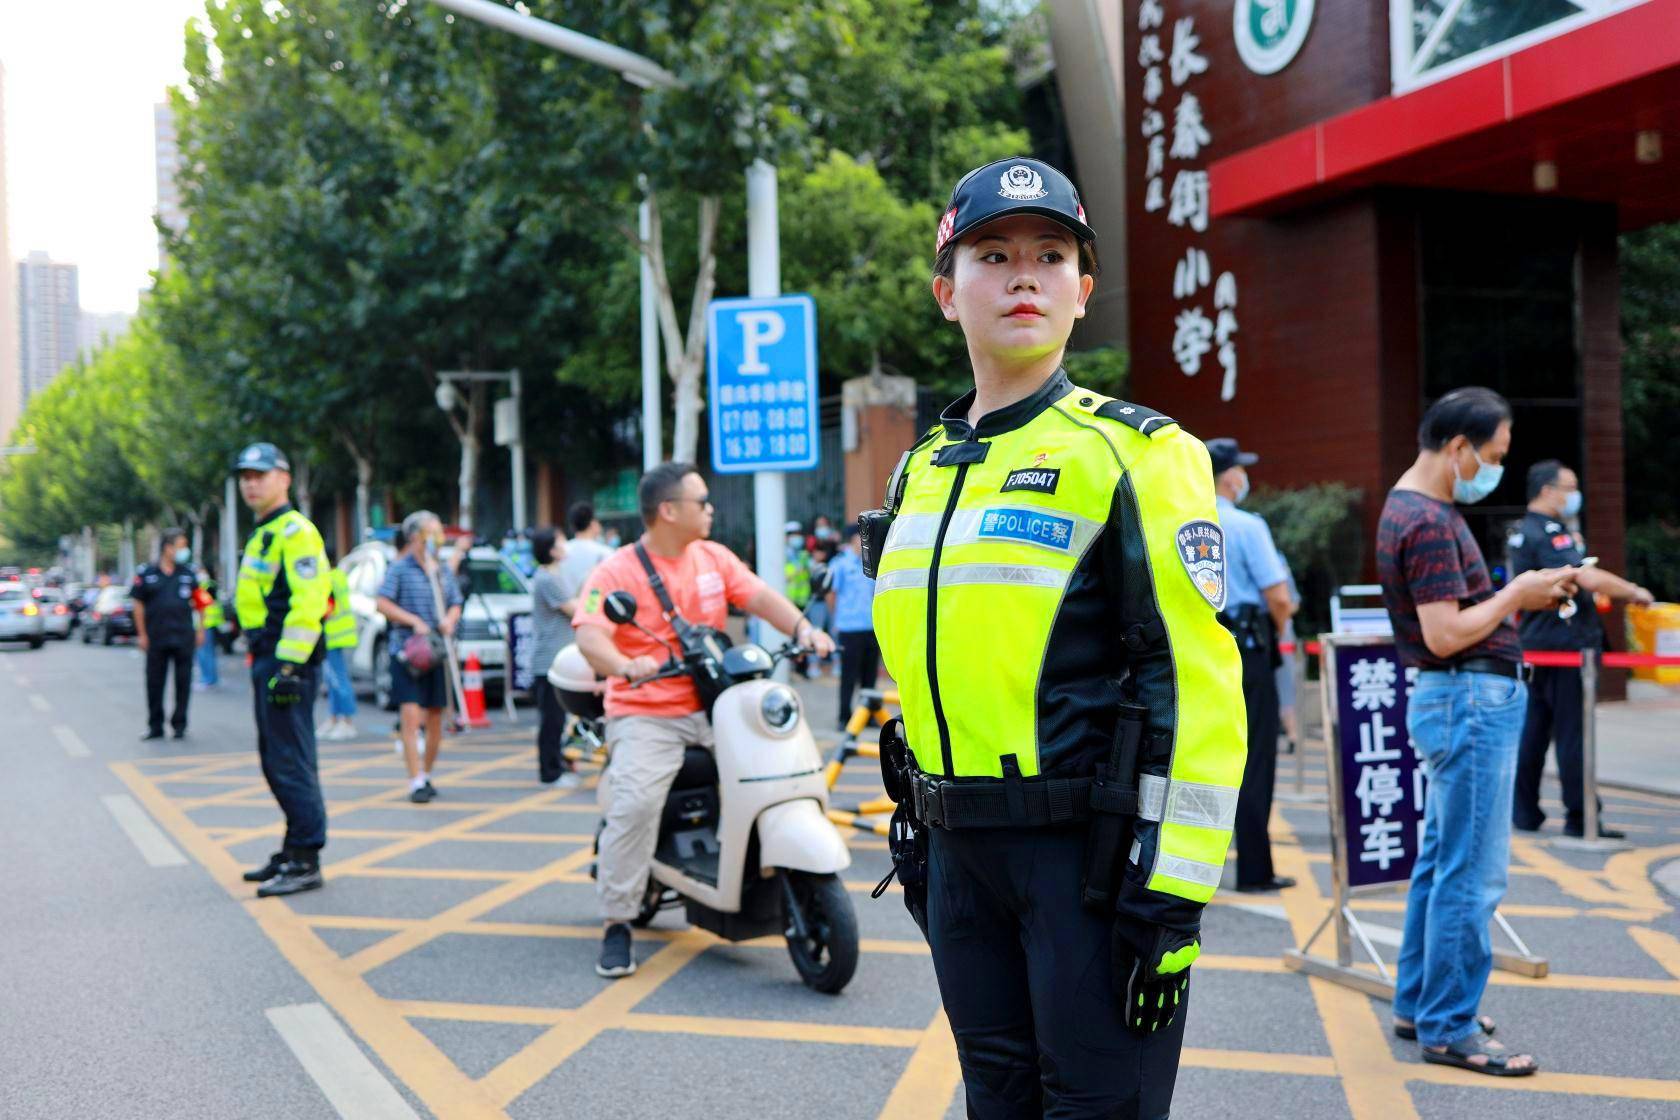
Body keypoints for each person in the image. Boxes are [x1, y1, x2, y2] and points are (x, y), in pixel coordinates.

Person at [869, 156, 1246, 1117]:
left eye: (1051, 255)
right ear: (948, 292)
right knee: (996, 1103)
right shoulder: (921, 471)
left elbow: (1195, 685)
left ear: (1083, 291)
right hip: (958, 861)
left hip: (1083, 864)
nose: (1024, 275)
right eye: (994, 255)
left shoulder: (1138, 453)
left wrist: (1171, 898)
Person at [1377, 387, 1577, 1077]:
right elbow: (1445, 632)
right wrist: (1517, 595)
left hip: (1456, 699)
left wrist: (1520, 595)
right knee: (1471, 873)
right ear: (1459, 447)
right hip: (1467, 698)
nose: (1494, 467)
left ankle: (1420, 1005)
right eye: (1492, 455)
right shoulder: (1429, 520)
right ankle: (1449, 1025)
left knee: (1441, 864)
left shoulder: (1413, 507)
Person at [572, 462, 835, 978]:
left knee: (776, 770)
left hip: (717, 705)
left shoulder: (713, 558)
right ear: (669, 511)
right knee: (637, 803)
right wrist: (626, 665)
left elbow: (757, 597)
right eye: (703, 502)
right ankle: (618, 923)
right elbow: (589, 634)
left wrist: (805, 629)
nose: (711, 509)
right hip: (647, 713)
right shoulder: (616, 571)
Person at [1509, 460, 1653, 839]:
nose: (1574, 496)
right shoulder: (1550, 532)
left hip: (1536, 648)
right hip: (1565, 648)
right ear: (1547, 490)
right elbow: (1582, 575)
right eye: (1569, 488)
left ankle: (1524, 812)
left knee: (1533, 733)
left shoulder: (1521, 532)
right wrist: (1634, 591)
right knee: (1573, 735)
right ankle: (1582, 817)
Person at [232, 442, 332, 897]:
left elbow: (311, 600)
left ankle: (306, 857)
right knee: (278, 759)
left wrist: (289, 666)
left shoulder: (295, 531)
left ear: (284, 478)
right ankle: (294, 847)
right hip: (268, 657)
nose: (251, 483)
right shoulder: (265, 532)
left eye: (260, 475)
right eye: (246, 476)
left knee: (290, 760)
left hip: (286, 662)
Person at [1209, 438, 1299, 893]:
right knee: (1254, 759)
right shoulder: (1246, 525)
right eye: (1241, 469)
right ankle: (1255, 870)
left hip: (1198, 652)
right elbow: (1279, 597)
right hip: (1247, 650)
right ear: (1229, 476)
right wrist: (1277, 631)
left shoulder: (1181, 520)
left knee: (1204, 760)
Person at [376, 510, 463, 803]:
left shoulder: (441, 570)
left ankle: (426, 773)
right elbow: (382, 602)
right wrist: (412, 620)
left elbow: (455, 602)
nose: (436, 539)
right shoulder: (399, 569)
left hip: (436, 654)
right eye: (431, 533)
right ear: (415, 537)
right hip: (408, 654)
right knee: (411, 716)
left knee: (436, 716)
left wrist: (450, 619)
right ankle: (415, 781)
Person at [131, 529, 201, 741]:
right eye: (181, 546)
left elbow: (200, 603)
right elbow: (138, 606)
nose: (184, 551)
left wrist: (201, 630)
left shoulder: (188, 574)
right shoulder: (146, 573)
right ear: (167, 548)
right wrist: (142, 634)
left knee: (183, 681)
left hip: (183, 636)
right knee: (154, 683)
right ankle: (155, 726)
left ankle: (180, 724)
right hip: (156, 637)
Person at [528, 526, 581, 788]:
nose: (565, 545)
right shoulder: (548, 579)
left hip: (555, 658)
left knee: (557, 719)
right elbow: (576, 610)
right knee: (552, 720)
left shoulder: (552, 576)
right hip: (549, 660)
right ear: (551, 550)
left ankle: (557, 764)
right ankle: (550, 772)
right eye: (561, 541)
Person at [827, 523, 879, 728]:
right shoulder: (840, 564)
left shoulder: (871, 562)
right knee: (849, 676)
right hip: (849, 629)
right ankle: (844, 716)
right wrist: (837, 619)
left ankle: (868, 716)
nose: (864, 541)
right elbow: (832, 594)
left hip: (870, 627)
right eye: (861, 537)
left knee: (869, 676)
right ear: (853, 540)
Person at [316, 562, 360, 741]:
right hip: (338, 634)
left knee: (339, 679)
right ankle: (334, 718)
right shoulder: (337, 576)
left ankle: (347, 721)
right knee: (332, 680)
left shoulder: (326, 580)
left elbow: (327, 608)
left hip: (334, 635)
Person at [193, 568, 223, 691]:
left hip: (206, 624)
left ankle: (209, 679)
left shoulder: (207, 586)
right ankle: (208, 678)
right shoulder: (205, 586)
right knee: (205, 653)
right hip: (205, 624)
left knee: (205, 653)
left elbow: (204, 605)